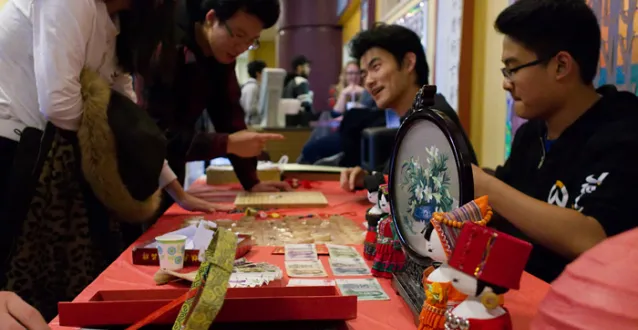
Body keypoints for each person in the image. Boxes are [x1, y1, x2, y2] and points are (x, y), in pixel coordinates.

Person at [0, 0, 190, 322]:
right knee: (25, 289)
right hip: (16, 156)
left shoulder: (115, 18)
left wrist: (174, 188)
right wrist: (108, 151)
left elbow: (125, 106)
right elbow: (59, 103)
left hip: (45, 158)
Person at [472, 0, 638, 282]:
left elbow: (594, 237)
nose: (506, 82)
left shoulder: (624, 131)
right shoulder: (532, 133)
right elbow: (506, 203)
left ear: (561, 65)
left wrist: (488, 187)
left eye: (512, 69)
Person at [142, 0, 291, 209]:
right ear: (211, 18)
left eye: (252, 41)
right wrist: (228, 143)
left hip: (172, 167)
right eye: (238, 35)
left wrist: (251, 181)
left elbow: (229, 114)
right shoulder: (165, 45)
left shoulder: (221, 56)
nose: (241, 48)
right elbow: (154, 134)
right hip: (135, 165)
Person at [339, 24, 473, 191]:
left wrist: (371, 181)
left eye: (376, 67)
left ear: (409, 63)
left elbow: (401, 187)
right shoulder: (417, 114)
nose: (368, 81)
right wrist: (366, 179)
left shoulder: (430, 118)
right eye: (364, 74)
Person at [242, 59, 267, 125]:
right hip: (251, 123)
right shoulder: (253, 87)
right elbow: (250, 108)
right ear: (258, 73)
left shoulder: (252, 86)